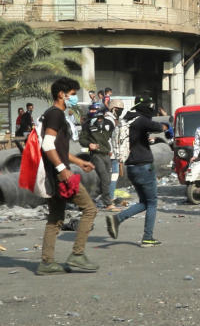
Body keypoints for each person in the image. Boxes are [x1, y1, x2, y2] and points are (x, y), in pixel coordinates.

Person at [37, 78, 99, 275]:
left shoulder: (52, 114)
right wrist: (63, 169)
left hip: (53, 174)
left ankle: (46, 263)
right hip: (60, 175)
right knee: (90, 210)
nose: (74, 98)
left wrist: (78, 162)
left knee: (55, 218)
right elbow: (47, 145)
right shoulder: (55, 114)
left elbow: (57, 148)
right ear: (61, 94)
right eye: (72, 94)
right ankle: (77, 255)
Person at [105, 97, 169, 246]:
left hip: (131, 167)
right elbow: (159, 127)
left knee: (144, 202)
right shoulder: (141, 120)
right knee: (152, 202)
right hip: (144, 166)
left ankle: (117, 219)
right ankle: (147, 237)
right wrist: (166, 127)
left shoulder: (127, 120)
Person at [80, 102, 118, 211]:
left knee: (106, 180)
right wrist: (89, 145)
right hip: (96, 155)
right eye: (90, 110)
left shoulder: (108, 123)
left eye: (93, 110)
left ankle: (88, 200)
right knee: (104, 178)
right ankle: (108, 203)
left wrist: (112, 150)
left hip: (107, 154)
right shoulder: (87, 124)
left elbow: (111, 137)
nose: (91, 112)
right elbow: (82, 139)